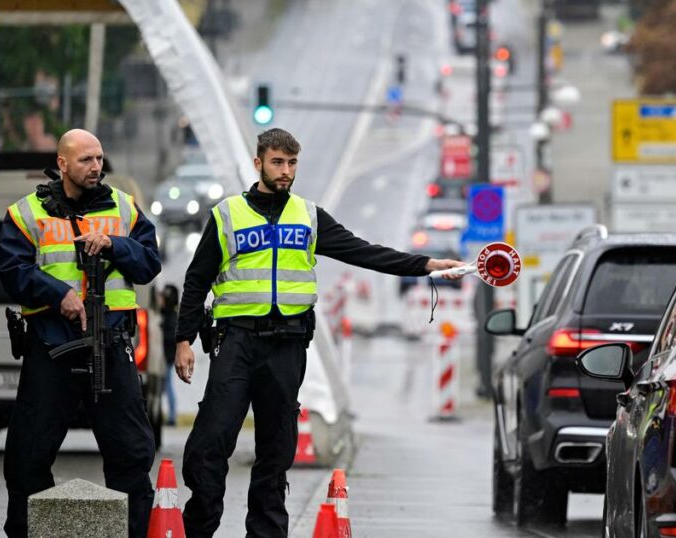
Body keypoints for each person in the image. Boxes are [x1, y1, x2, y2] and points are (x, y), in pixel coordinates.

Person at [174, 128, 465, 537]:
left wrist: (425, 265)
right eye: (278, 162)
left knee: (276, 452)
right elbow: (196, 280)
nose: (286, 171)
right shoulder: (227, 215)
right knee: (209, 446)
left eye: (292, 163)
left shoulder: (308, 216)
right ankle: (199, 528)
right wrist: (183, 340)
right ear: (258, 163)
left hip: (287, 345)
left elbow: (364, 251)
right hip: (236, 341)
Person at [0, 129, 161, 538]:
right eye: (86, 159)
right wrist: (59, 295)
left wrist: (113, 245)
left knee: (132, 455)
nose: (96, 167)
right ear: (64, 163)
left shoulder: (122, 208)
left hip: (110, 345)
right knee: (27, 457)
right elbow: (12, 272)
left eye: (100, 158)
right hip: (52, 345)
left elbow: (149, 263)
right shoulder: (27, 212)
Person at [159, 284, 180, 426]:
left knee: (166, 385)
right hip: (167, 356)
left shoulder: (170, 317)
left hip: (166, 356)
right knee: (165, 386)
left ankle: (172, 417)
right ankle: (170, 416)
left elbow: (170, 337)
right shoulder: (168, 315)